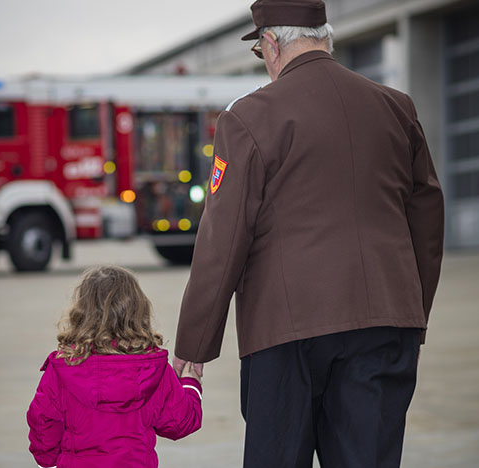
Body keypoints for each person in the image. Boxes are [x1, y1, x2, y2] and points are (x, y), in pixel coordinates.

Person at [172, 0, 445, 467]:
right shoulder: (397, 108)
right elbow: (427, 218)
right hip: (385, 325)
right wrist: (411, 315)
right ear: (324, 36)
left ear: (271, 45)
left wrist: (194, 345)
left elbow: (223, 237)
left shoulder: (247, 119)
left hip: (285, 333)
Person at [27, 265, 203, 468]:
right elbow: (180, 423)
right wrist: (191, 383)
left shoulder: (63, 367)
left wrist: (47, 461)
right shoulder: (153, 368)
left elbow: (43, 420)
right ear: (138, 311)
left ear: (81, 312)